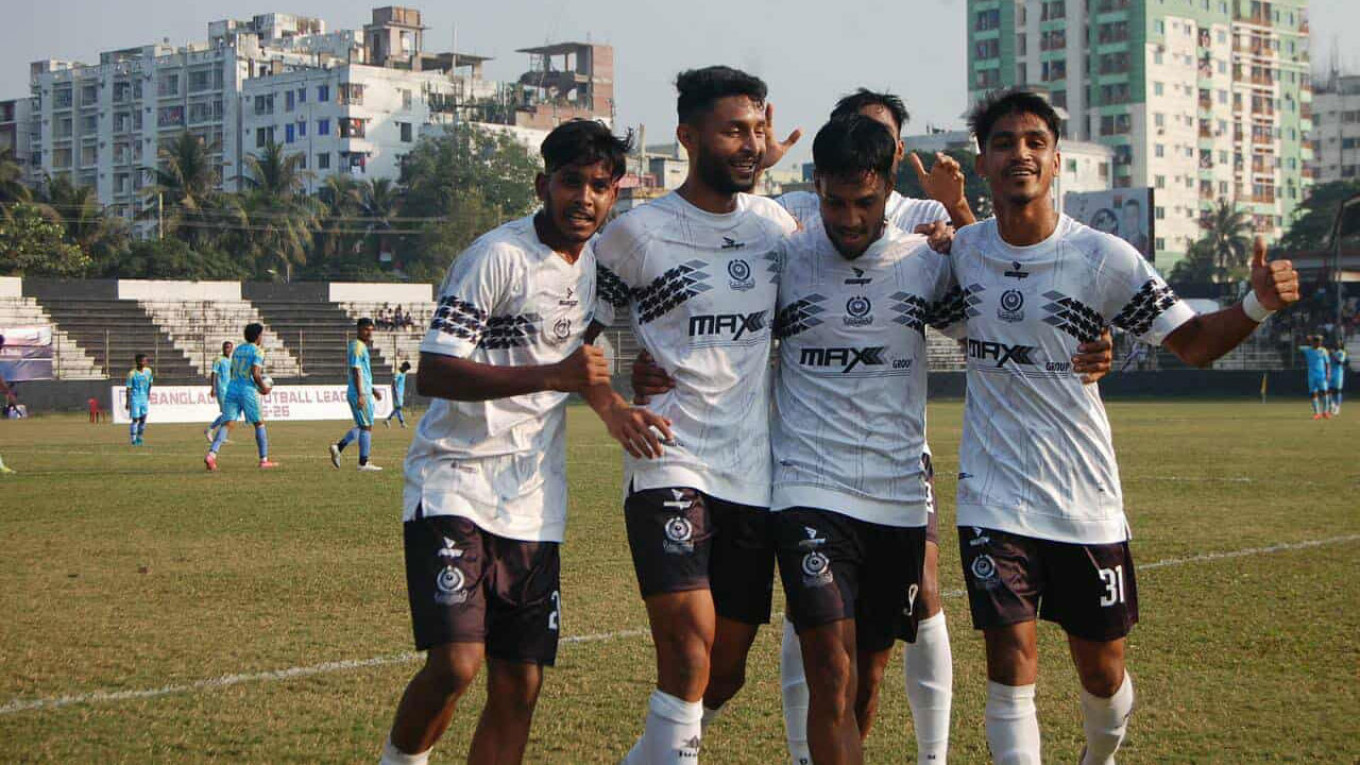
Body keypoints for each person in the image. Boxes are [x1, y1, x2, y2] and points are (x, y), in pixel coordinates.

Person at [949, 88, 1298, 765]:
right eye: (1003, 143)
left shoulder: (1102, 257)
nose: (1020, 153)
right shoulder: (961, 252)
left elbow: (1193, 343)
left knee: (1102, 673)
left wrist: (1255, 304)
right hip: (991, 494)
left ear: (1056, 162)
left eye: (1035, 142)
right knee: (1009, 657)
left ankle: (1100, 754)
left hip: (1083, 498)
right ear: (983, 162)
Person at [378, 119, 670, 765]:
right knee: (456, 663)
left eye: (600, 186)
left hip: (534, 497)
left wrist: (618, 400)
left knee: (519, 682)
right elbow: (434, 372)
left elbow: (582, 359)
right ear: (543, 185)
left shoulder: (598, 267)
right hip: (456, 478)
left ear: (615, 193)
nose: (585, 198)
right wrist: (552, 376)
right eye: (571, 182)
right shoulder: (496, 257)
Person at [592, 66, 800, 764]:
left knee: (725, 671)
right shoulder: (637, 233)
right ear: (687, 136)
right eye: (734, 131)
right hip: (668, 459)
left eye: (757, 131)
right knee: (687, 653)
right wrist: (617, 395)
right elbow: (576, 332)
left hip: (751, 473)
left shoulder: (775, 227)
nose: (751, 144)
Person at [205, 323, 277, 471]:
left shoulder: (237, 350)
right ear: (257, 336)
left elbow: (233, 371)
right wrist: (263, 388)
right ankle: (263, 460)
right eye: (261, 335)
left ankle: (211, 455)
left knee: (227, 423)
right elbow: (255, 373)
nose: (262, 338)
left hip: (232, 388)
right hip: (247, 390)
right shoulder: (258, 351)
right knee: (259, 423)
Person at [330, 318, 385, 471]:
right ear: (359, 329)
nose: (369, 333)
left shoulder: (359, 346)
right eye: (366, 329)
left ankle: (339, 447)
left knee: (363, 426)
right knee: (367, 427)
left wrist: (372, 389)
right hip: (360, 392)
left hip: (364, 390)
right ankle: (363, 463)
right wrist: (361, 394)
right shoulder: (357, 347)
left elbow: (363, 373)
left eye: (371, 330)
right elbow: (356, 371)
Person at [204, 341, 235, 443]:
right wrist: (213, 388)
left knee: (230, 414)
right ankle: (210, 429)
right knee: (227, 413)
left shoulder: (231, 361)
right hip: (222, 389)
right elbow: (214, 373)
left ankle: (221, 435)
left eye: (229, 347)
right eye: (225, 347)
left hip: (230, 390)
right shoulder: (218, 359)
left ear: (231, 349)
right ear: (222, 348)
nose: (227, 349)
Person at [1298, 335, 1332, 420]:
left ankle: (1325, 412)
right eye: (1317, 341)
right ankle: (1317, 413)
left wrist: (1328, 373)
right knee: (1313, 394)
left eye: (1320, 341)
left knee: (1324, 392)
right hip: (1311, 375)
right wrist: (1305, 339)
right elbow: (1298, 347)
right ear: (1313, 342)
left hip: (1322, 375)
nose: (1319, 343)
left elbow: (1327, 363)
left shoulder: (1323, 350)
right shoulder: (1307, 349)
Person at [125, 354, 153, 446]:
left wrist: (148, 393)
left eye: (145, 361)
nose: (144, 363)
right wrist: (127, 402)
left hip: (144, 398)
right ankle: (133, 440)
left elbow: (150, 382)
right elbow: (128, 388)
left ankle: (139, 438)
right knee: (135, 419)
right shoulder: (132, 374)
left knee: (143, 419)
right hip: (135, 398)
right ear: (137, 362)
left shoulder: (148, 371)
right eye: (142, 361)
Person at [385, 361, 411, 429]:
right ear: (403, 366)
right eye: (406, 369)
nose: (406, 370)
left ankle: (388, 420)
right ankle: (401, 423)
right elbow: (394, 382)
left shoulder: (404, 373)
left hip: (401, 392)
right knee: (398, 407)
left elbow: (402, 383)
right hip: (397, 392)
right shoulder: (398, 372)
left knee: (398, 408)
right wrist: (396, 392)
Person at [1328, 341, 1347, 415]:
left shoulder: (1341, 353)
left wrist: (1333, 354)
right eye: (1335, 343)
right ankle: (1332, 404)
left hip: (1338, 374)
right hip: (1330, 373)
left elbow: (1340, 362)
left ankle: (1337, 407)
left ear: (1340, 345)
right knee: (1328, 390)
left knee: (1337, 391)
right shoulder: (1331, 352)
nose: (1336, 344)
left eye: (1338, 344)